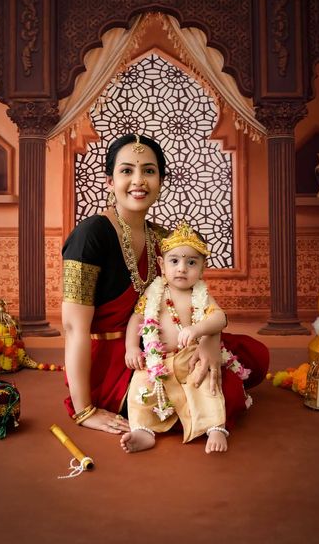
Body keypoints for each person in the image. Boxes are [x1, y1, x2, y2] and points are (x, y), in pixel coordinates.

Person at [62, 133, 269, 434]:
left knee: (255, 355)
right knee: (230, 394)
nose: (138, 180)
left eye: (148, 170)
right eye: (126, 170)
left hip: (165, 344)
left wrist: (209, 344)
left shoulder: (161, 237)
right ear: (109, 181)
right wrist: (84, 410)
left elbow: (197, 301)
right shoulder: (89, 236)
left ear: (160, 180)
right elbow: (73, 328)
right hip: (113, 364)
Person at [121, 221, 250, 454]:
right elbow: (136, 319)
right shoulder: (154, 294)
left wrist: (198, 329)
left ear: (202, 268)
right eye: (174, 261)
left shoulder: (200, 294)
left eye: (191, 262)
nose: (182, 268)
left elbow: (220, 318)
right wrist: (131, 347)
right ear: (161, 264)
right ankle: (143, 430)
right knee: (140, 386)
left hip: (190, 357)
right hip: (157, 359)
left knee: (206, 384)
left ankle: (216, 427)